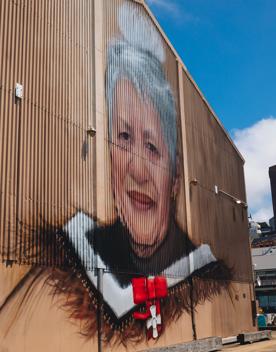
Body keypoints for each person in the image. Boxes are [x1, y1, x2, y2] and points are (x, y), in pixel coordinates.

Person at [0, 1, 232, 344]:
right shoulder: (64, 265)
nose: (136, 169)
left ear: (176, 177)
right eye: (123, 137)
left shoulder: (210, 284)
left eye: (152, 147)